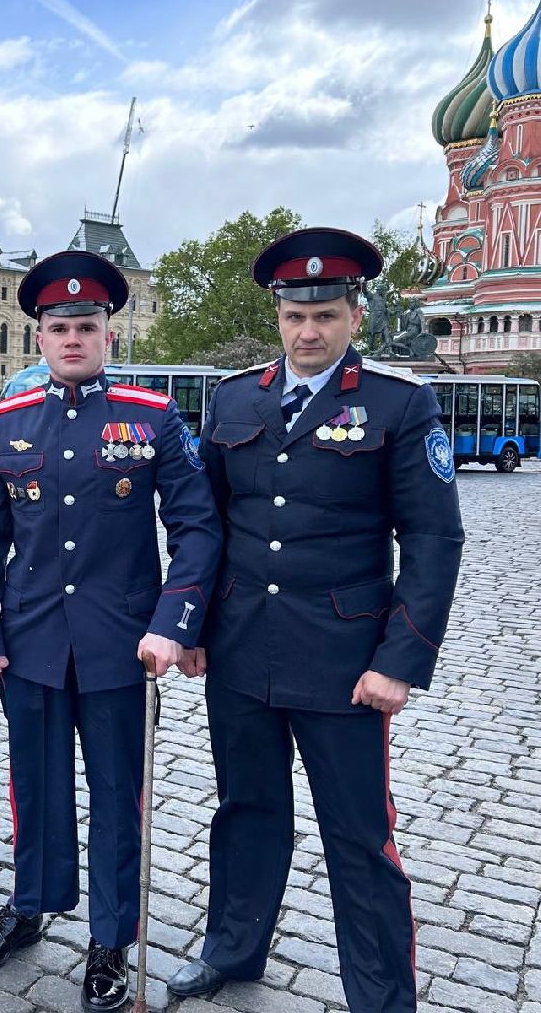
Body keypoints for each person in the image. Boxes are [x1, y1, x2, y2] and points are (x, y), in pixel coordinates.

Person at [166, 227, 464, 1013]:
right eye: (295, 316)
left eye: (325, 315)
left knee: (359, 837)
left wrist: (398, 661)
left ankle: (378, 995)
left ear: (354, 317)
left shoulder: (399, 402)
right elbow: (208, 525)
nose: (309, 331)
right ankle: (232, 949)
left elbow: (433, 538)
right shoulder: (233, 397)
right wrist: (192, 630)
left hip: (345, 661)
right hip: (237, 653)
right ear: (276, 314)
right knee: (245, 811)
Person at [0, 251, 223, 1012]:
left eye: (85, 326)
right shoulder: (5, 423)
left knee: (116, 798)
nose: (71, 338)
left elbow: (195, 525)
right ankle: (32, 903)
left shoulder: (150, 416)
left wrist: (173, 624)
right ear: (38, 338)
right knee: (33, 788)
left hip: (121, 646)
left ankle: (111, 936)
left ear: (109, 332)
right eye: (57, 328)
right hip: (32, 641)